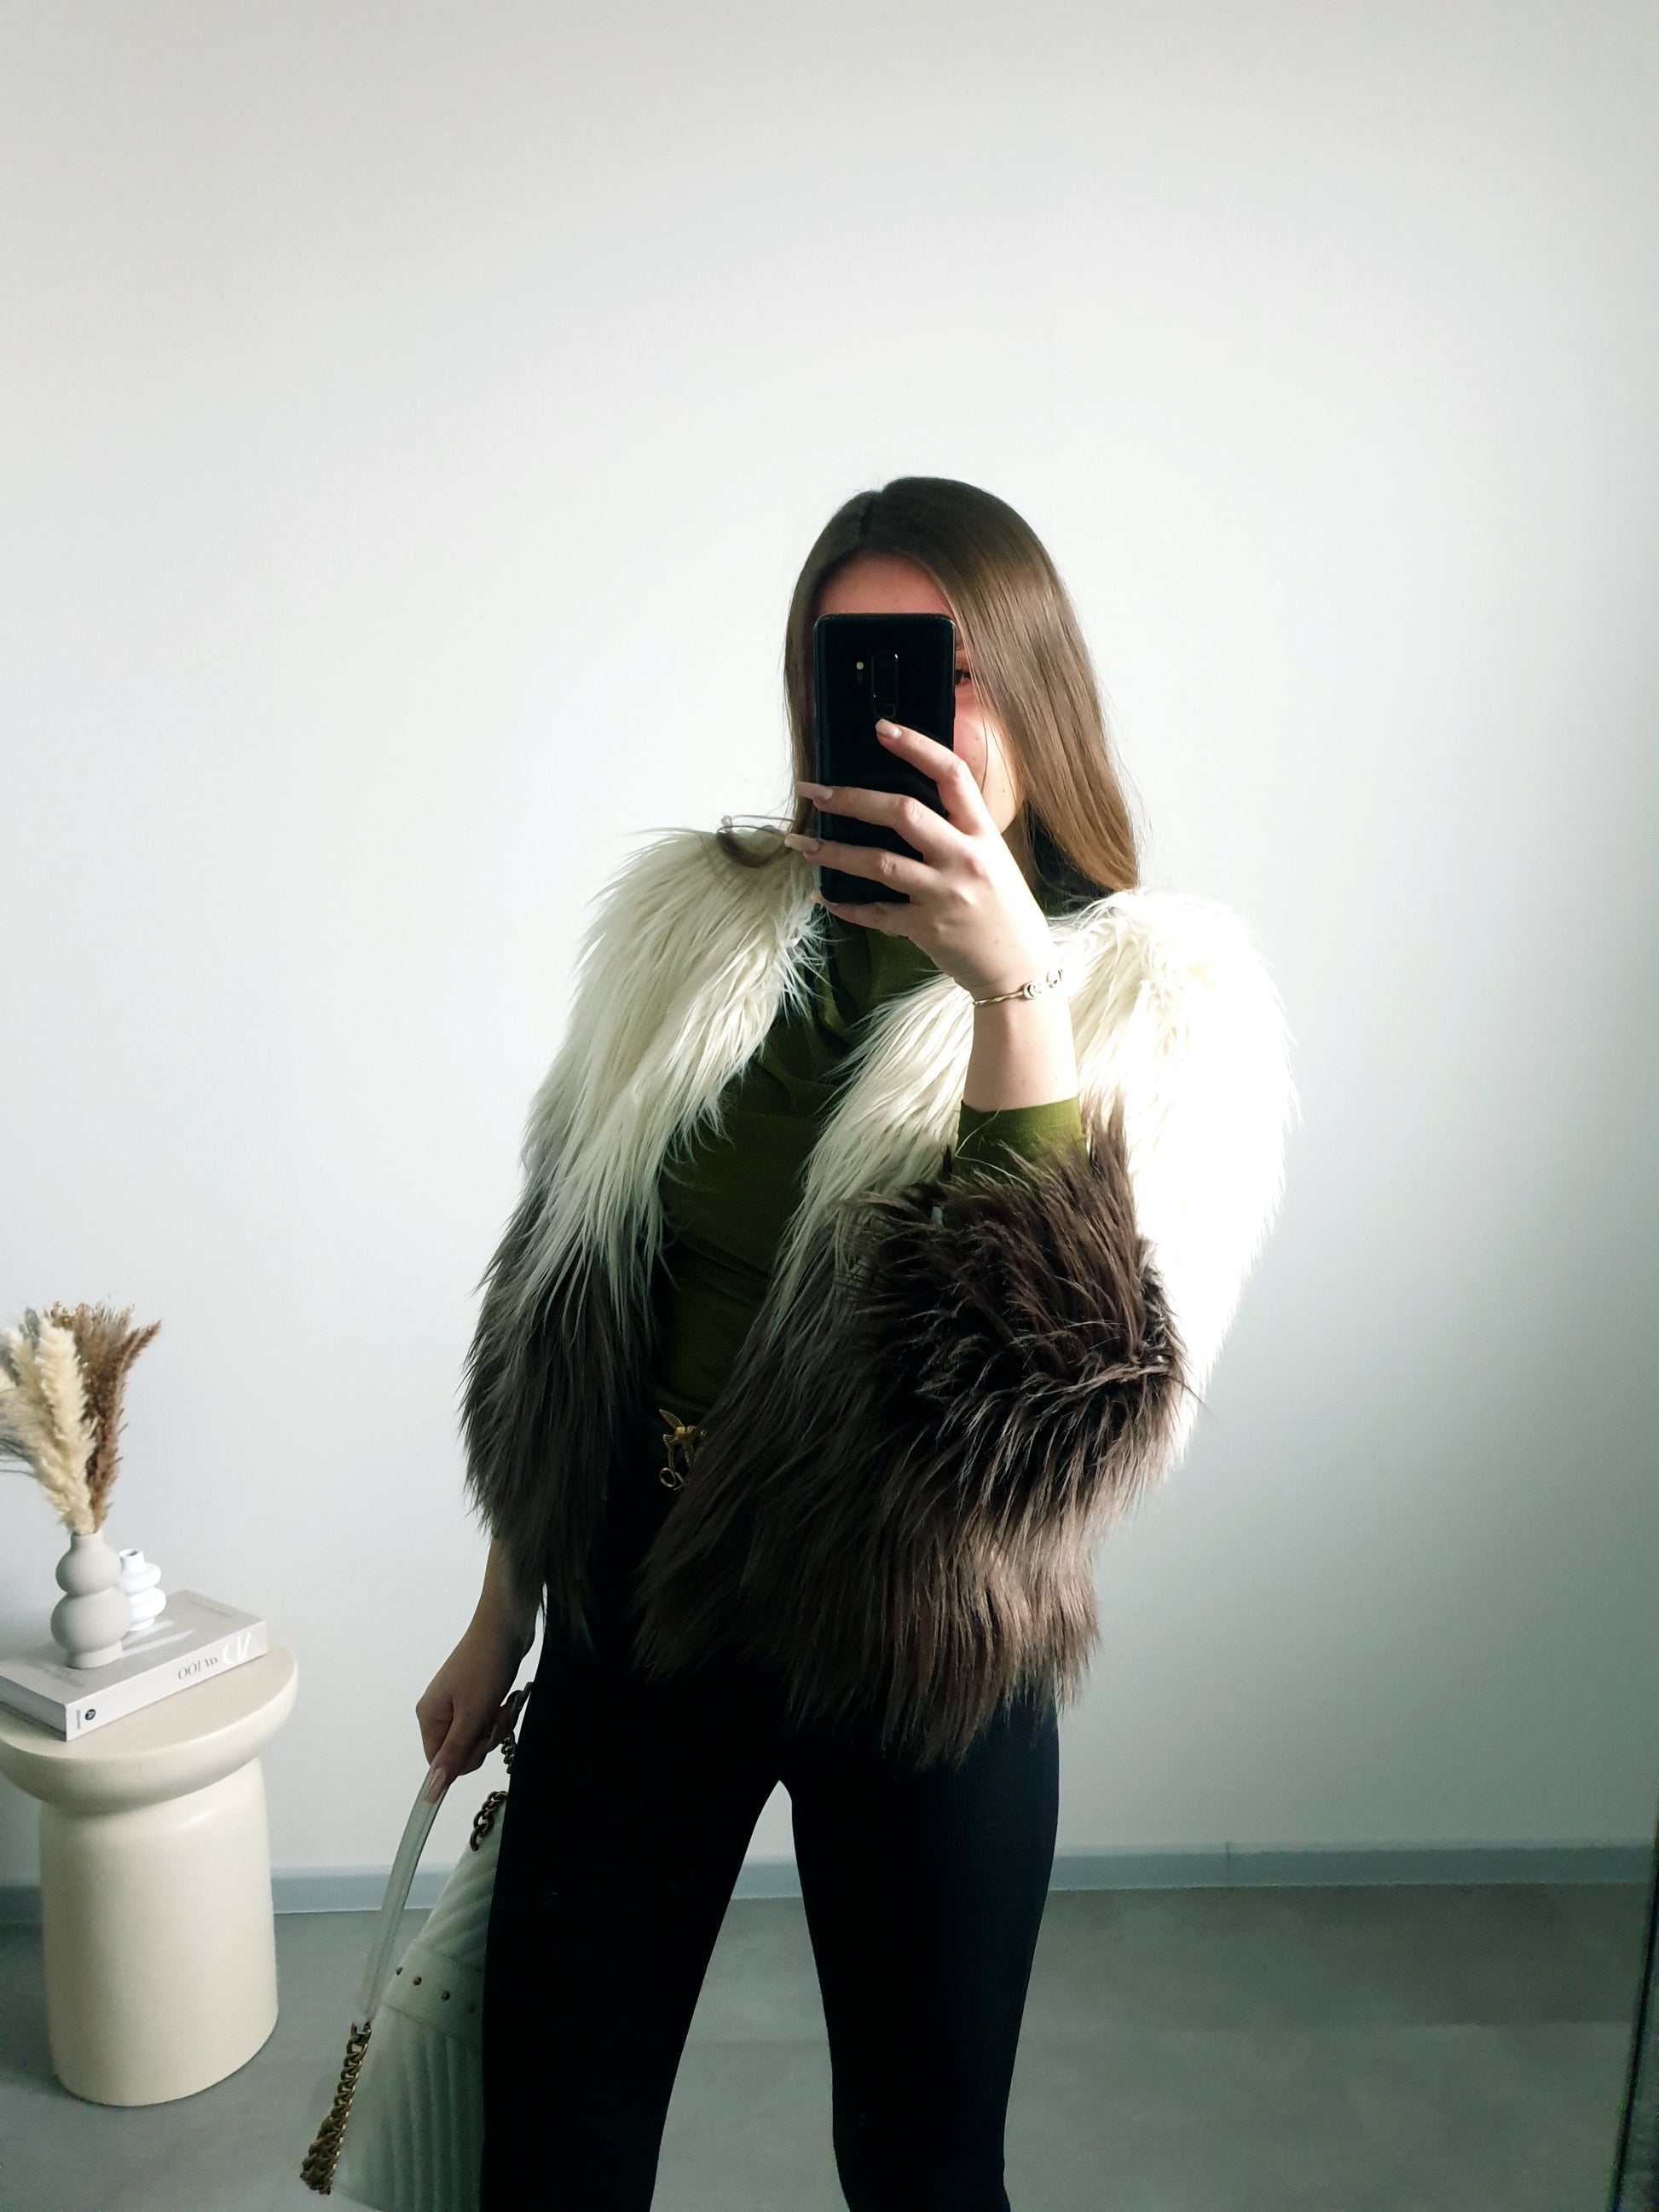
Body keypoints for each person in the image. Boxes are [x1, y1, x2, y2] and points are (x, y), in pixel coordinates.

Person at [416, 476, 1294, 2209]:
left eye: (947, 670)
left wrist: (1010, 992)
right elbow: (563, 1301)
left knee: (919, 2165)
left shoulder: (1158, 998)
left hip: (922, 1631)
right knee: (554, 2138)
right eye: (857, 669)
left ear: (1033, 685)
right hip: (642, 1595)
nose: (908, 717)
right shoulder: (695, 925)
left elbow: (1054, 1418)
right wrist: (501, 1608)